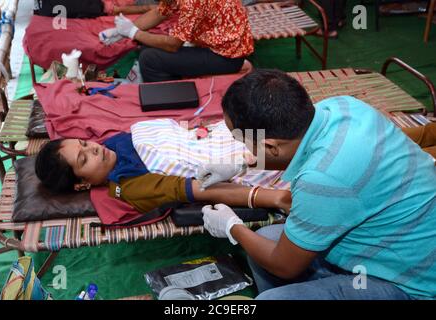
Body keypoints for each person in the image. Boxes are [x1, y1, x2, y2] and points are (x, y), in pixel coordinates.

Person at [200, 69, 436, 300]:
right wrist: (243, 163)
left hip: (409, 284)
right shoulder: (344, 106)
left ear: (270, 145)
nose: (244, 148)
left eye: (242, 141)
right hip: (408, 245)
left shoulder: (322, 180)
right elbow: (294, 150)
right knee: (266, 238)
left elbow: (284, 266)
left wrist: (232, 227)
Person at [35, 133, 291, 214]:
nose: (93, 148)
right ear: (82, 184)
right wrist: (273, 198)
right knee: (292, 147)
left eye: (83, 143)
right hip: (238, 161)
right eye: (84, 158)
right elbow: (202, 188)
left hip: (218, 138)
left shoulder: (112, 144)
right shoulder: (129, 183)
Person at [113, 0, 254, 82]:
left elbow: (172, 45)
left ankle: (170, 101)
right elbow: (159, 12)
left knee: (149, 58)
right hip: (214, 45)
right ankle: (176, 79)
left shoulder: (192, 2)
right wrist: (120, 32)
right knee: (147, 46)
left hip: (226, 58)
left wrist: (132, 32)